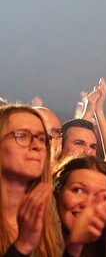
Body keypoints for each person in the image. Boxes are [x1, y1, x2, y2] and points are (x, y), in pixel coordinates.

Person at [0, 105, 60, 256]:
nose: (37, 146)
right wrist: (22, 246)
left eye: (42, 139)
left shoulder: (47, 208)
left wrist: (75, 248)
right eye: (21, 136)